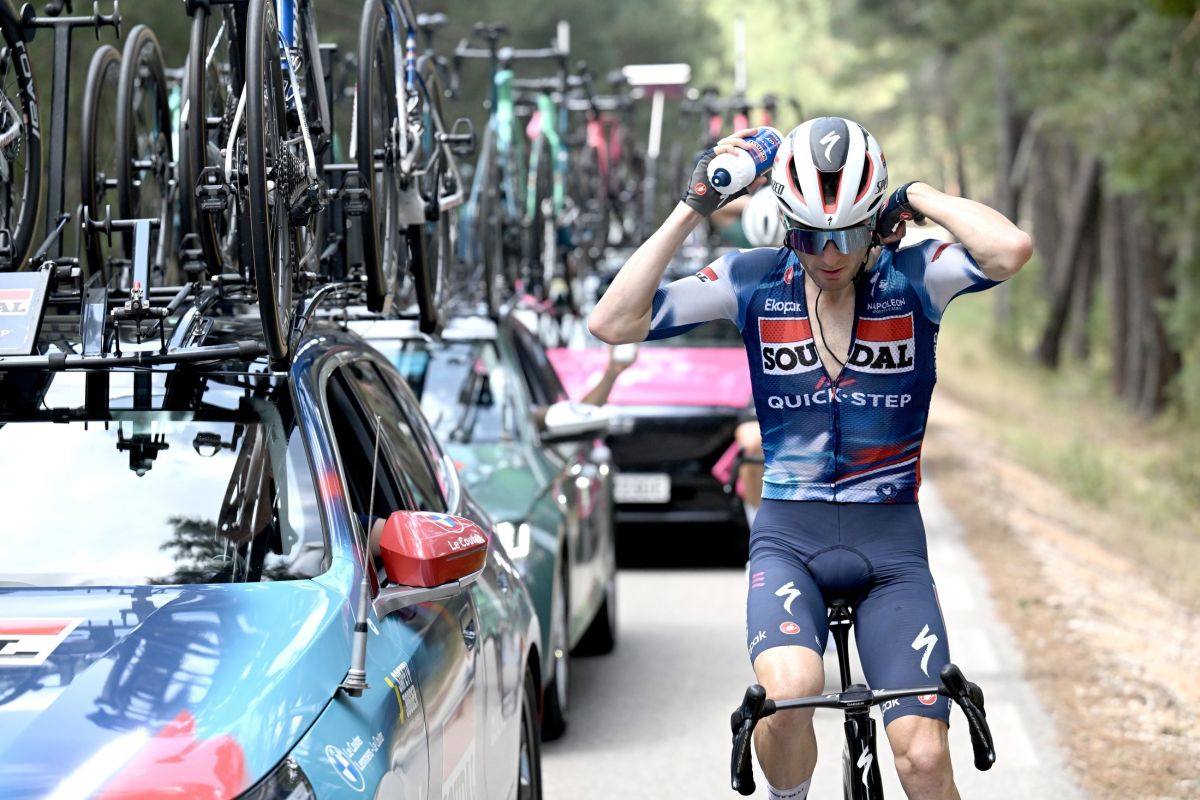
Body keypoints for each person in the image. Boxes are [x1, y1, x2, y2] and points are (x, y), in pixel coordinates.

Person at [588, 117, 1032, 800]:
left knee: (922, 758)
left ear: (875, 222)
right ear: (785, 225)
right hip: (789, 539)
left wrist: (917, 196)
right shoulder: (750, 279)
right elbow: (612, 321)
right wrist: (694, 204)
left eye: (847, 235)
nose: (828, 255)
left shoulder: (916, 277)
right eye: (808, 237)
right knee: (791, 695)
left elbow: (1010, 250)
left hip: (891, 548)